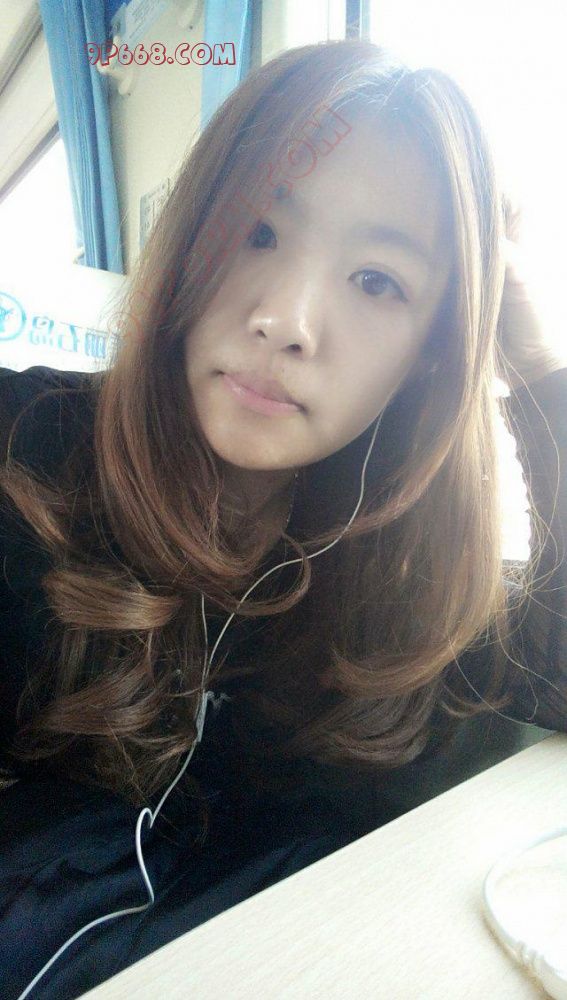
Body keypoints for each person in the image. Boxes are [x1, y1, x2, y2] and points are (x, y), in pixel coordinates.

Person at [1, 38, 566, 999]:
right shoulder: (26, 446)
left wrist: (537, 368)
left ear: (434, 349)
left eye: (377, 281)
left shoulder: (407, 572)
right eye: (257, 231)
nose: (288, 321)